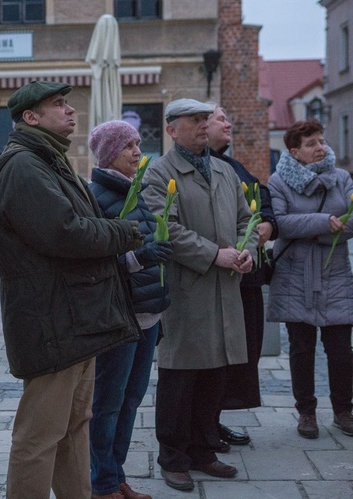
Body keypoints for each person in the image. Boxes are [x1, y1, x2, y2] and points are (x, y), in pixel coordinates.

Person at [0, 81, 144, 499]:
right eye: (58, 104)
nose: (70, 111)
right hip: (52, 320)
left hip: (75, 317)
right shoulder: (24, 166)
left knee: (74, 427)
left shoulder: (49, 160)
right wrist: (125, 232)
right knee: (40, 436)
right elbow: (66, 233)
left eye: (68, 103)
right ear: (31, 117)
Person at [141, 98, 257, 492]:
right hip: (187, 292)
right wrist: (214, 254)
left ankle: (205, 450)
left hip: (225, 290)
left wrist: (246, 250)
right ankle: (173, 457)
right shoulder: (159, 173)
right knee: (181, 376)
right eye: (194, 120)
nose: (203, 125)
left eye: (206, 118)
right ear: (172, 129)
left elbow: (248, 219)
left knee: (215, 374)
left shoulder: (225, 171)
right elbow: (165, 228)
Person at [88, 120, 172, 499]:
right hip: (119, 319)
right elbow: (96, 264)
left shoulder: (139, 192)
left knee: (131, 401)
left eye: (138, 144)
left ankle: (116, 475)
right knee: (108, 404)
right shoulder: (95, 197)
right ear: (109, 154)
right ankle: (102, 482)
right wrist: (141, 258)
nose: (138, 151)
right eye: (128, 146)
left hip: (148, 315)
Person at [266, 119, 353, 439]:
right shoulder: (278, 181)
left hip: (336, 274)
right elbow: (282, 224)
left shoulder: (342, 177)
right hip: (295, 275)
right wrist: (324, 224)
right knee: (301, 349)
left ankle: (344, 410)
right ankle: (306, 413)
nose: (320, 147)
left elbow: (352, 218)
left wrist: (324, 229)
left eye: (321, 140)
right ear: (295, 151)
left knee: (342, 349)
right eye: (311, 143)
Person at [207, 105, 278, 450]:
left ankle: (213, 420)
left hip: (246, 275)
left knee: (241, 354)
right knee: (218, 356)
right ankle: (206, 423)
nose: (229, 123)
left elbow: (260, 197)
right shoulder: (203, 167)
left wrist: (268, 223)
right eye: (221, 118)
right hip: (221, 276)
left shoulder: (233, 165)